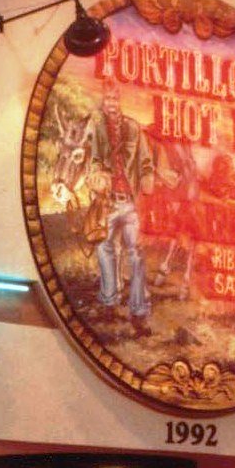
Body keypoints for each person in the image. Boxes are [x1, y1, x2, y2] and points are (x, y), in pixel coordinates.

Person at [92, 89, 153, 325]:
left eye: (115, 98)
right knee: (104, 248)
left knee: (136, 255)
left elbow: (146, 161)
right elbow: (96, 159)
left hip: (130, 203)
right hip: (107, 202)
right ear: (103, 102)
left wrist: (146, 183)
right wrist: (97, 175)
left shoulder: (133, 128)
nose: (111, 103)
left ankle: (138, 309)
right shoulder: (99, 129)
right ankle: (109, 301)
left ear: (120, 101)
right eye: (107, 98)